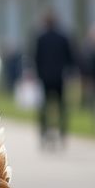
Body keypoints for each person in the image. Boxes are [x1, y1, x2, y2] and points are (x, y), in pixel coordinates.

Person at [32, 10, 76, 148]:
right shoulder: (63, 37)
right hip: (59, 77)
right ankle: (62, 133)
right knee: (61, 106)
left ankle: (44, 132)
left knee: (44, 106)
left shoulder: (40, 38)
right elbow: (70, 57)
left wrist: (38, 73)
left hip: (45, 77)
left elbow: (36, 57)